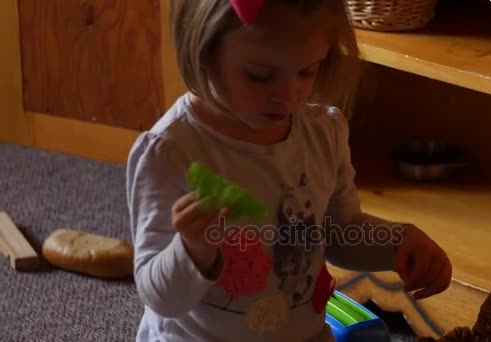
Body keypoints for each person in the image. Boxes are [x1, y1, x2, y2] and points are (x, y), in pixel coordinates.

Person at [125, 0, 452, 341]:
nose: (287, 95)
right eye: (259, 75)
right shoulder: (171, 151)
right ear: (203, 51)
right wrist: (193, 250)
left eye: (306, 71)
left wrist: (397, 243)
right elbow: (160, 298)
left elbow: (340, 232)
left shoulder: (324, 132)